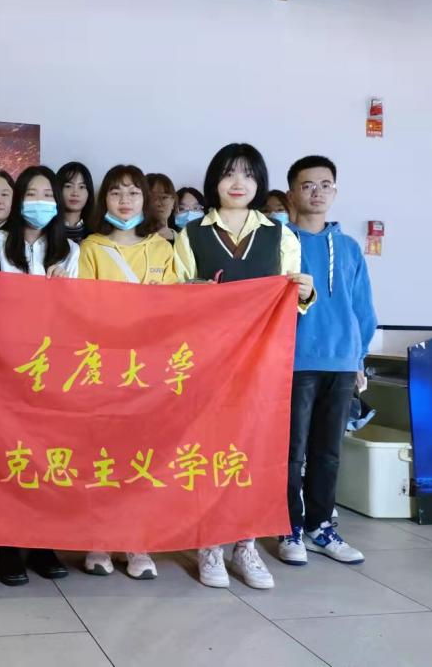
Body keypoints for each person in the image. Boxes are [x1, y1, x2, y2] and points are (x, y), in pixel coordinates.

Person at [173, 143, 314, 591]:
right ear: (215, 179)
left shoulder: (279, 235)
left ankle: (246, 544)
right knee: (208, 450)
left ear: (260, 182)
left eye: (249, 175)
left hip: (261, 363)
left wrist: (304, 292)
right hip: (207, 362)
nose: (239, 183)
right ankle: (209, 543)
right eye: (230, 173)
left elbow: (293, 299)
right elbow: (175, 297)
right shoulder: (192, 234)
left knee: (253, 452)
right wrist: (194, 294)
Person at [78, 164, 176, 580]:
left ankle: (137, 542)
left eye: (133, 193)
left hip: (150, 371)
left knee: (143, 458)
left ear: (145, 201)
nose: (125, 201)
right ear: (104, 200)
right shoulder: (91, 248)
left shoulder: (162, 249)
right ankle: (99, 540)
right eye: (116, 192)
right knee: (102, 454)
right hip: (104, 367)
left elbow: (179, 309)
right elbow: (82, 308)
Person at [279, 155, 376, 567]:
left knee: (328, 452)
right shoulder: (280, 242)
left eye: (325, 185)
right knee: (291, 453)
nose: (317, 192)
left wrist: (359, 358)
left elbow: (363, 309)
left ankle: (320, 526)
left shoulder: (350, 248)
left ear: (335, 191)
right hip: (294, 361)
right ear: (292, 193)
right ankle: (288, 527)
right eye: (307, 185)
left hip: (341, 362)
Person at [0, 165, 78, 585]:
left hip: (51, 369)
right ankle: (8, 546)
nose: (40, 201)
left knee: (48, 455)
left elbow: (81, 314)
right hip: (3, 365)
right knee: (10, 454)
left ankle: (43, 542)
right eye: (31, 193)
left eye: (48, 194)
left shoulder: (70, 251)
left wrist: (66, 291)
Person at [57, 161, 95, 244]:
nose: (75, 193)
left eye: (81, 187)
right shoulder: (46, 231)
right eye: (68, 186)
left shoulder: (96, 233)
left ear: (89, 193)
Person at [147, 172, 178, 242]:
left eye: (164, 197)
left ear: (173, 202)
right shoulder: (131, 240)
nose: (157, 203)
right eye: (151, 198)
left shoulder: (184, 240)